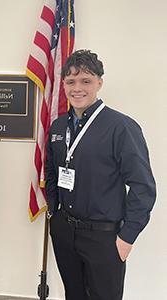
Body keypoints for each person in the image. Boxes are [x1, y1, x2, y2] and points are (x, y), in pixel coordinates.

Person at [45, 50, 156, 300]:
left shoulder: (121, 127)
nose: (77, 88)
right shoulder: (59, 127)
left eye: (86, 80)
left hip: (104, 237)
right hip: (65, 230)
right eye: (71, 81)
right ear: (63, 84)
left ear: (99, 83)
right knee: (73, 295)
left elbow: (143, 187)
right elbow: (51, 172)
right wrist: (54, 214)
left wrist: (127, 238)